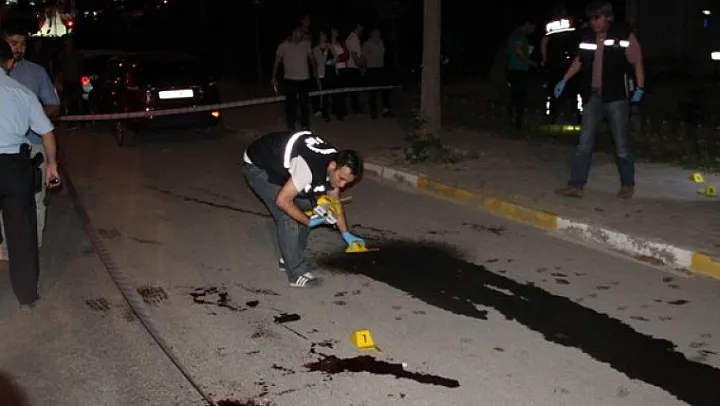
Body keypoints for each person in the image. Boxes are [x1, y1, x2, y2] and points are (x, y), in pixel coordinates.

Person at [242, 130, 365, 288]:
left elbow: (334, 201)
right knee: (290, 216)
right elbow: (282, 201)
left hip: (282, 165)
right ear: (333, 166)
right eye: (341, 179)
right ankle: (295, 273)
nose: (342, 185)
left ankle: (289, 257)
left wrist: (346, 233)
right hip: (258, 165)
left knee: (308, 208)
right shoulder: (308, 168)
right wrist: (308, 221)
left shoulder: (335, 166)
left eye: (347, 182)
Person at [553, 0, 645, 199]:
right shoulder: (587, 35)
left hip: (616, 96)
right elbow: (579, 60)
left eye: (597, 18)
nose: (594, 22)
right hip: (592, 96)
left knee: (621, 144)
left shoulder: (623, 34)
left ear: (608, 17)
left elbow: (637, 61)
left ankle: (627, 184)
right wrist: (564, 80)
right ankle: (576, 185)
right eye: (591, 19)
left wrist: (640, 87)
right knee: (584, 143)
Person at [0, 39, 60, 307]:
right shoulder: (23, 93)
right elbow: (47, 132)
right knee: (22, 232)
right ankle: (26, 294)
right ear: (9, 63)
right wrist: (52, 165)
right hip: (14, 168)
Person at [541, 4, 581, 124]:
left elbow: (544, 42)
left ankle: (554, 115)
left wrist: (545, 59)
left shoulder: (549, 24)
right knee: (574, 88)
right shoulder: (571, 21)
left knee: (555, 88)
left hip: (555, 60)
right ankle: (576, 115)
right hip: (569, 60)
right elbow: (577, 38)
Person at [271, 26, 317, 130]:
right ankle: (291, 125)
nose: (301, 35)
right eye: (300, 32)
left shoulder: (305, 44)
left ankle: (305, 125)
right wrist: (273, 77)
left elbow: (311, 58)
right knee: (291, 105)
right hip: (290, 79)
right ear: (294, 32)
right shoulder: (283, 46)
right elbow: (277, 62)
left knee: (304, 104)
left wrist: (315, 71)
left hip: (304, 78)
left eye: (302, 33)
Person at [506, 17, 537, 129]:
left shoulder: (519, 35)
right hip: (517, 70)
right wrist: (528, 61)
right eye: (532, 28)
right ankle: (516, 121)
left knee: (517, 96)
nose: (533, 31)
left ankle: (515, 120)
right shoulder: (518, 34)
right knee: (520, 96)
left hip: (517, 70)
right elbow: (518, 50)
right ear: (527, 24)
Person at [362, 27, 394, 119]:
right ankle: (373, 112)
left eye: (379, 33)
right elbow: (363, 57)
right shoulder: (367, 44)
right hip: (372, 69)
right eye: (376, 33)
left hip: (381, 68)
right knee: (373, 92)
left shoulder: (381, 42)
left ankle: (386, 110)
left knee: (385, 90)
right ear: (372, 34)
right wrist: (363, 68)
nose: (378, 35)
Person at [311, 31, 335, 122]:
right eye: (322, 35)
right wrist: (325, 51)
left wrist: (332, 61)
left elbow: (337, 57)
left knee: (326, 94)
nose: (324, 37)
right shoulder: (316, 49)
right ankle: (318, 110)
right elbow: (320, 61)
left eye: (325, 35)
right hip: (319, 74)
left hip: (328, 73)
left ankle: (325, 113)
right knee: (319, 93)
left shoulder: (329, 46)